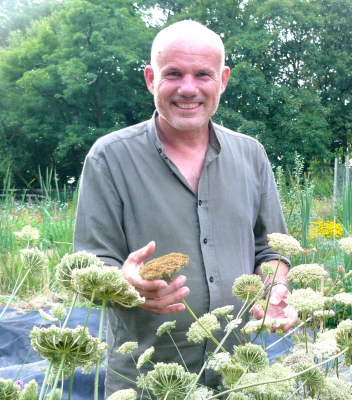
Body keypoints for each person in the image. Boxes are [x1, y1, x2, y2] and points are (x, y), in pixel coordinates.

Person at [73, 20, 296, 397]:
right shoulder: (109, 157)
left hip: (239, 374)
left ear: (222, 80)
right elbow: (90, 264)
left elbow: (271, 248)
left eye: (203, 75)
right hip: (148, 379)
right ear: (150, 78)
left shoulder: (251, 154)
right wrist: (124, 284)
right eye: (173, 73)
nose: (188, 88)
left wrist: (275, 289)